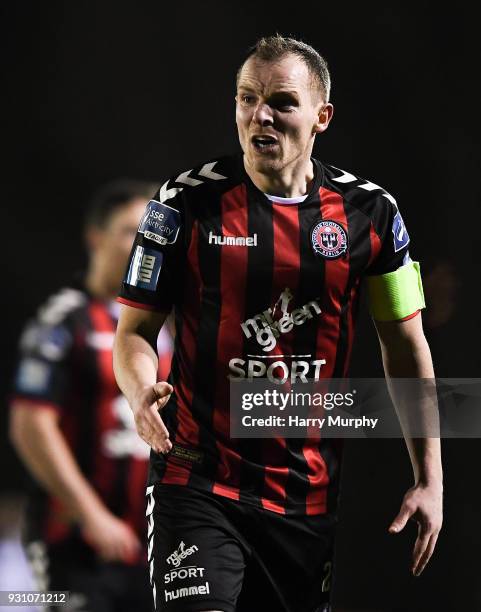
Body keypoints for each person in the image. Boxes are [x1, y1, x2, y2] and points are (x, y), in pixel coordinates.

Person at [113, 35, 443, 612]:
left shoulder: (372, 214)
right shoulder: (185, 203)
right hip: (197, 482)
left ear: (322, 117)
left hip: (305, 500)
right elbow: (136, 331)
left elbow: (406, 344)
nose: (260, 115)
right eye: (247, 98)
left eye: (282, 102)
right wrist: (140, 392)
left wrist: (429, 478)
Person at [10, 180, 173, 612]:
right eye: (128, 231)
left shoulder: (165, 328)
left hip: (150, 542)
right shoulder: (64, 321)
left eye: (149, 234)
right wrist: (90, 514)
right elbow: (30, 423)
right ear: (95, 238)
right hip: (76, 543)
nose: (142, 244)